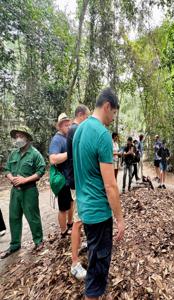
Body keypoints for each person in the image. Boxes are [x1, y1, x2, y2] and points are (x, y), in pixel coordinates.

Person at [73, 87, 125, 300]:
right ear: (107, 106)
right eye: (113, 113)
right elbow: (110, 186)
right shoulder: (102, 135)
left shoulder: (79, 130)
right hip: (99, 213)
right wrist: (120, 219)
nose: (113, 118)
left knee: (95, 258)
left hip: (85, 208)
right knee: (97, 268)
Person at [0, 126, 45, 259]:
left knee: (33, 217)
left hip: (29, 191)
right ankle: (14, 244)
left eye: (21, 136)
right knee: (14, 217)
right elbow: (6, 169)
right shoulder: (13, 154)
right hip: (15, 192)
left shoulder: (35, 154)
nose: (18, 139)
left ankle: (38, 241)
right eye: (17, 136)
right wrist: (11, 178)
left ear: (27, 138)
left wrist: (25, 180)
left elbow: (40, 171)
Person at [66, 105, 90, 280]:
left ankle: (85, 243)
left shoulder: (73, 130)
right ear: (81, 115)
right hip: (78, 181)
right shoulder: (76, 130)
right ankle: (74, 263)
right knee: (78, 220)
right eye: (87, 116)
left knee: (81, 217)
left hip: (77, 180)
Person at [49, 113, 73, 237]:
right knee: (63, 207)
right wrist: (70, 153)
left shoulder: (66, 137)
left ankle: (70, 223)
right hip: (62, 179)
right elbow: (52, 159)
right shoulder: (57, 139)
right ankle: (63, 231)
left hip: (69, 178)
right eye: (65, 125)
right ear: (59, 126)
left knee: (71, 202)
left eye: (69, 124)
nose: (68, 126)